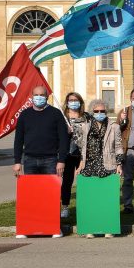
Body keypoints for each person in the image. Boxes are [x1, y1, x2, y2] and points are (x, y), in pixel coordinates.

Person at [13, 85, 69, 238]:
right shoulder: (24, 115)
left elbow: (63, 140)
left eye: (42, 95)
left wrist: (61, 160)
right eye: (36, 95)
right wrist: (17, 161)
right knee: (31, 196)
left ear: (47, 97)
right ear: (31, 96)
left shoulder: (55, 114)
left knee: (51, 195)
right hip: (30, 160)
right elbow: (18, 140)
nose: (39, 97)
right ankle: (28, 228)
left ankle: (54, 228)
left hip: (50, 160)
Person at [74, 99, 123, 238]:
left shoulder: (114, 126)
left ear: (106, 112)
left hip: (107, 164)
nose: (99, 113)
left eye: (102, 111)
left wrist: (119, 164)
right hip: (89, 165)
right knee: (91, 198)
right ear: (92, 112)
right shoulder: (85, 126)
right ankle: (90, 228)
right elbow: (82, 147)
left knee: (107, 199)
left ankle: (108, 227)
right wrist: (81, 164)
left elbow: (118, 146)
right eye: (96, 111)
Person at [60, 91, 89, 220]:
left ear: (80, 102)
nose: (73, 102)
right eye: (71, 100)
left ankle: (84, 206)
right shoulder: (62, 117)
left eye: (76, 100)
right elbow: (56, 136)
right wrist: (65, 132)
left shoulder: (86, 117)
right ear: (67, 102)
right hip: (67, 154)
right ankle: (65, 207)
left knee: (84, 181)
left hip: (83, 154)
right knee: (67, 181)